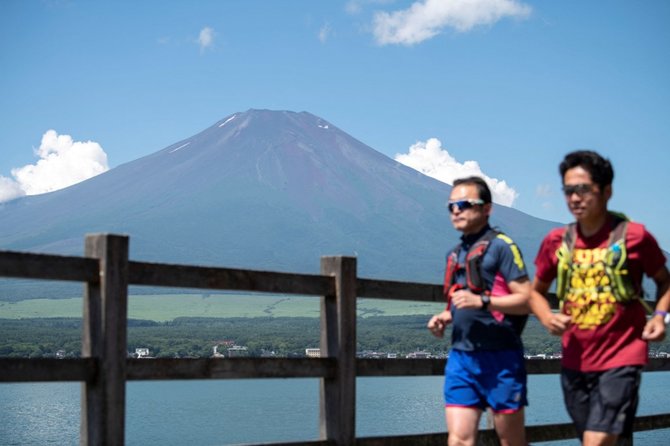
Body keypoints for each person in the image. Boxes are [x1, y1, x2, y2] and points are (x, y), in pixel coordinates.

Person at [529, 150, 670, 445]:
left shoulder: (634, 237)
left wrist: (659, 316)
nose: (574, 198)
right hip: (575, 361)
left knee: (596, 441)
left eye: (583, 189)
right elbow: (536, 292)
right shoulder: (557, 241)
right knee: (604, 440)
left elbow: (665, 283)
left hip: (622, 357)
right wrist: (547, 317)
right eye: (568, 190)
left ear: (607, 191)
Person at [428, 176, 531, 446]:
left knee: (511, 441)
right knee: (460, 440)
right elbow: (458, 303)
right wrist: (444, 317)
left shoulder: (502, 247)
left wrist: (483, 301)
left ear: (487, 208)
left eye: (464, 203)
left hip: (502, 359)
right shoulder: (454, 254)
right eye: (451, 205)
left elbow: (526, 299)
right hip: (462, 358)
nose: (457, 210)